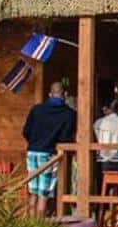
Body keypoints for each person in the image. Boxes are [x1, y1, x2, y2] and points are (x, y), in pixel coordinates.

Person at [21, 81, 77, 217]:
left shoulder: (36, 109)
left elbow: (26, 131)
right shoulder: (69, 114)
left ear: (50, 94)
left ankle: (30, 225)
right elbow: (65, 137)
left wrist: (34, 142)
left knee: (33, 191)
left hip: (32, 152)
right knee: (43, 193)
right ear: (65, 94)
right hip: (49, 154)